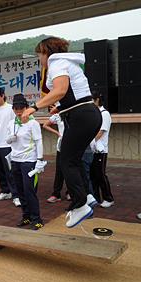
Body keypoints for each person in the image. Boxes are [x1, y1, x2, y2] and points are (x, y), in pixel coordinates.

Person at [21, 37, 102, 228]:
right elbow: (72, 93)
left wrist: (33, 107)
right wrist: (59, 108)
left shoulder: (56, 63)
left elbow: (60, 90)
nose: (39, 59)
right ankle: (87, 196)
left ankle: (80, 204)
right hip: (87, 114)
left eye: (39, 54)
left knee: (66, 160)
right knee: (73, 158)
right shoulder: (65, 63)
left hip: (81, 116)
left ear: (45, 52)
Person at [7, 94, 44, 230]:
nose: (18, 110)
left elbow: (38, 141)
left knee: (30, 191)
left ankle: (37, 218)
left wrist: (39, 159)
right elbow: (8, 140)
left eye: (21, 107)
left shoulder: (32, 123)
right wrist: (10, 139)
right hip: (15, 160)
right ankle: (26, 216)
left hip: (29, 161)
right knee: (20, 190)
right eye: (16, 107)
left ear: (27, 108)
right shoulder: (12, 123)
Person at [0, 87, 20, 207]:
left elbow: (17, 124)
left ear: (3, 95)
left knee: (10, 171)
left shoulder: (11, 109)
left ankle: (16, 195)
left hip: (7, 145)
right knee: (0, 170)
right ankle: (5, 191)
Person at [90, 92, 115, 208]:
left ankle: (108, 198)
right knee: (94, 175)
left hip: (101, 150)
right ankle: (96, 197)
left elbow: (101, 132)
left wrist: (89, 140)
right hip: (94, 150)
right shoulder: (96, 113)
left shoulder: (104, 114)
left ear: (97, 100)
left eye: (92, 100)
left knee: (100, 174)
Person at [43, 107, 69, 203]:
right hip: (61, 146)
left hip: (73, 145)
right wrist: (57, 133)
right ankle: (56, 194)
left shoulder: (72, 113)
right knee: (59, 170)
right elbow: (45, 125)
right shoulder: (57, 116)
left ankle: (70, 192)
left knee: (71, 169)